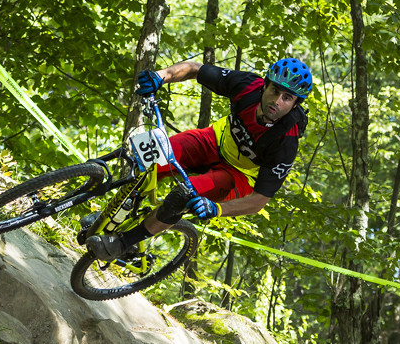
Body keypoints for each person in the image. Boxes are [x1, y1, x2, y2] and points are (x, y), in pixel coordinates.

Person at [85, 57, 313, 261]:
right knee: (149, 156)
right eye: (275, 91)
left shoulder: (286, 140)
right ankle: (114, 218)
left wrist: (216, 209)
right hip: (213, 141)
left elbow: (259, 200)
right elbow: (195, 69)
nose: (277, 101)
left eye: (287, 98)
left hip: (237, 175)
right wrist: (160, 76)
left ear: (295, 104)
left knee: (183, 195)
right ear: (265, 85)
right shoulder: (247, 86)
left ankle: (124, 243)